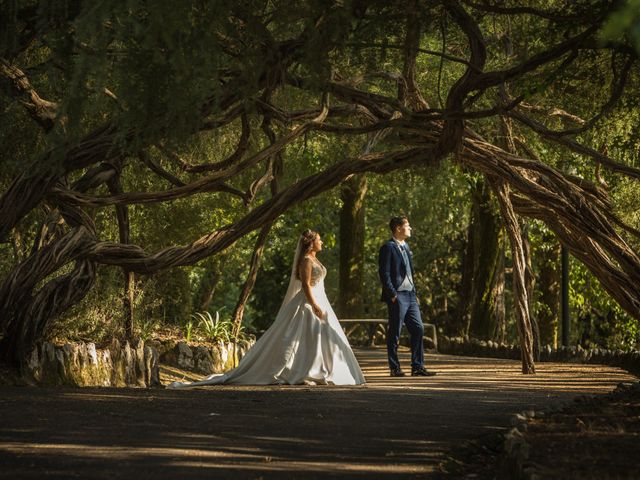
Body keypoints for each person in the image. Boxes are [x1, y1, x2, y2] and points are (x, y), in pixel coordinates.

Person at [168, 229, 365, 387]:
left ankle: (321, 368)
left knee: (320, 337)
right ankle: (303, 369)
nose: (322, 242)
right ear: (311, 243)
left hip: (320, 300)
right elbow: (305, 285)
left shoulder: (314, 259)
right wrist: (314, 305)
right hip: (308, 303)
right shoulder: (306, 260)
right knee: (300, 336)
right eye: (319, 240)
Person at [378, 216, 436, 377]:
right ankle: (394, 368)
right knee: (395, 332)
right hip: (397, 296)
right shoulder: (388, 247)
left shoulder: (407, 246)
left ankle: (417, 366)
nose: (410, 228)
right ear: (398, 228)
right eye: (407, 226)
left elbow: (409, 271)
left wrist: (414, 292)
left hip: (410, 295)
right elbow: (384, 273)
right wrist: (393, 295)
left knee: (418, 328)